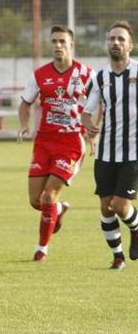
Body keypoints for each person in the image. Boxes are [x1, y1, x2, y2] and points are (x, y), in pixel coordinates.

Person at [17, 25, 94, 262]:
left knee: (49, 197)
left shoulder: (87, 74)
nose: (58, 45)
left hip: (71, 143)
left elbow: (99, 104)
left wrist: (93, 134)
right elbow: (25, 103)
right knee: (35, 201)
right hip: (44, 142)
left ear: (71, 45)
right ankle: (59, 210)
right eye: (54, 41)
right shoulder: (40, 75)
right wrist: (24, 124)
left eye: (62, 41)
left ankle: (42, 249)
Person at [83, 20, 138, 270]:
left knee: (119, 205)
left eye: (121, 39)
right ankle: (118, 257)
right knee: (106, 207)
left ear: (131, 45)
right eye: (112, 39)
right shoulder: (99, 78)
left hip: (133, 152)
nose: (115, 43)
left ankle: (136, 230)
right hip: (105, 152)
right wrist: (88, 126)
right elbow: (87, 111)